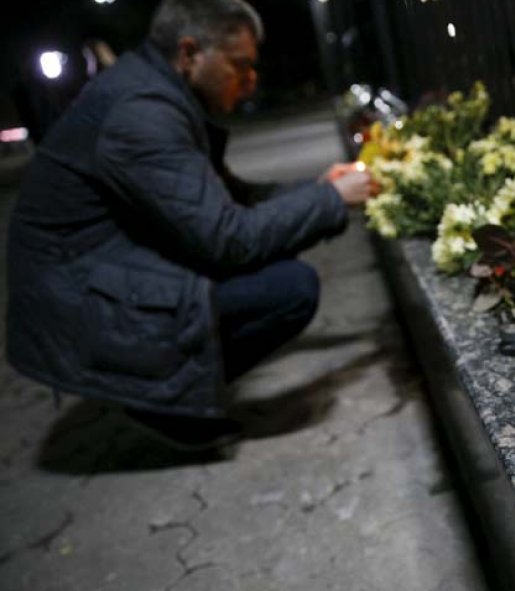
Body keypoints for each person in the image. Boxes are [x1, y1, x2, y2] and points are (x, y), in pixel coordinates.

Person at [6, 0, 374, 450]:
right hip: (77, 301)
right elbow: (227, 239)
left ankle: (164, 381)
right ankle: (163, 401)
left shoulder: (157, 91)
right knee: (290, 288)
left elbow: (229, 200)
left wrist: (315, 190)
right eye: (240, 66)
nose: (251, 80)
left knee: (280, 244)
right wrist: (329, 200)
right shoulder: (143, 113)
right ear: (189, 53)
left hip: (103, 270)